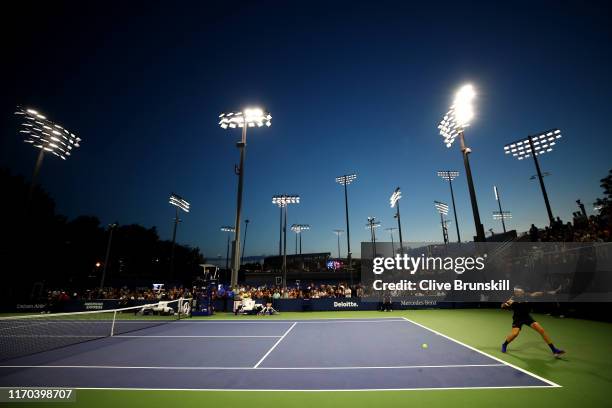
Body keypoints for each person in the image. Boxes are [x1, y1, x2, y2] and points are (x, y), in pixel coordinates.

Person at [501, 287, 565, 357]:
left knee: (541, 330)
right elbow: (502, 306)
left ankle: (554, 350)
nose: (518, 292)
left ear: (522, 291)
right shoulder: (512, 299)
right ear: (515, 293)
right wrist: (505, 305)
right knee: (515, 334)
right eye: (516, 291)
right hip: (518, 319)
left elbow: (537, 293)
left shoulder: (528, 295)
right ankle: (504, 344)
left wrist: (549, 292)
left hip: (527, 317)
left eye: (520, 291)